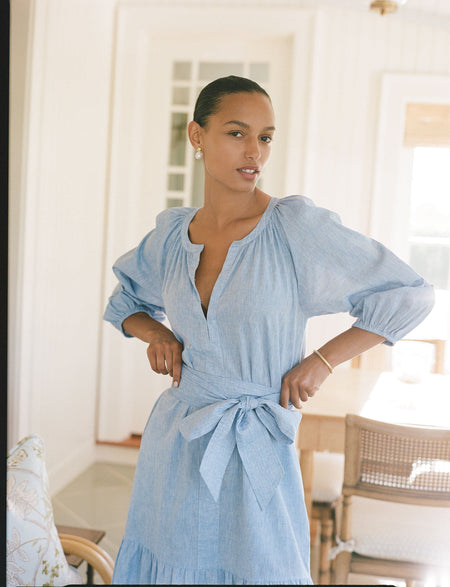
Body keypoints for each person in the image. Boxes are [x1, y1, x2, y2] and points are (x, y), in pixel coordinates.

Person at [103, 75, 434, 585]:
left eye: (266, 137)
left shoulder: (292, 228)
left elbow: (408, 293)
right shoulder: (172, 235)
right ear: (197, 136)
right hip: (177, 441)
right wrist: (157, 334)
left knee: (263, 568)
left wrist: (322, 360)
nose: (254, 151)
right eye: (237, 133)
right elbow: (125, 301)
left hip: (258, 439)